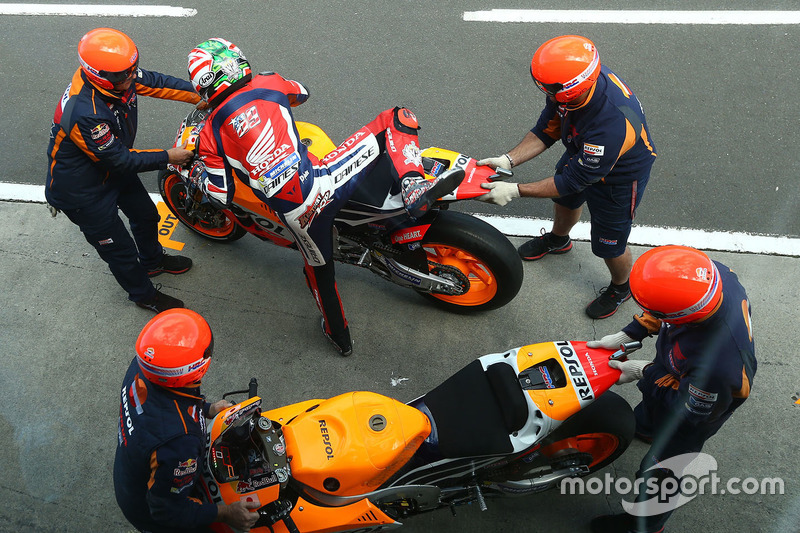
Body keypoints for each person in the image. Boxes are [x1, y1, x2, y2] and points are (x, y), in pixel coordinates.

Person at [185, 38, 464, 356]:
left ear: (203, 84)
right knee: (396, 116)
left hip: (298, 215)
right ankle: (413, 183)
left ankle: (339, 337)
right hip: (329, 181)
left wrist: (198, 177)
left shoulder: (209, 133)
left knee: (320, 274)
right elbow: (301, 92)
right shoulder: (269, 82)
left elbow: (221, 195)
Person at [477, 35, 657, 319]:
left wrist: (514, 190)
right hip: (583, 153)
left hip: (618, 178)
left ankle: (622, 287)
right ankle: (558, 240)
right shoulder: (575, 84)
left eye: (549, 89)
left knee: (609, 245)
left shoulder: (609, 126)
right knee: (564, 201)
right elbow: (547, 129)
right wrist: (507, 160)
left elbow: (573, 180)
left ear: (571, 90)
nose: (545, 94)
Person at [586, 245, 756, 533]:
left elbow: (688, 411)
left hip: (694, 409)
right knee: (651, 408)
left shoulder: (718, 364)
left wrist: (645, 371)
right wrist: (633, 332)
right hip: (678, 370)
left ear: (681, 317)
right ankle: (647, 427)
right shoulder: (705, 276)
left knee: (660, 474)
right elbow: (664, 309)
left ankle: (646, 524)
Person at [46, 28, 200, 313]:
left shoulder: (119, 75)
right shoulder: (86, 112)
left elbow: (156, 82)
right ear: (97, 75)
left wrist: (202, 96)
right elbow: (121, 160)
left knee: (146, 215)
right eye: (123, 76)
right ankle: (144, 295)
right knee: (120, 251)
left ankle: (153, 262)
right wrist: (169, 156)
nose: (131, 78)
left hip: (110, 169)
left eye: (133, 69)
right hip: (83, 192)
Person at [114, 308, 261, 532]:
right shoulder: (180, 443)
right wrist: (226, 513)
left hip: (131, 473)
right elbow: (167, 511)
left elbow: (167, 401)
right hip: (151, 512)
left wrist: (207, 408)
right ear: (195, 371)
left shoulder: (144, 365)